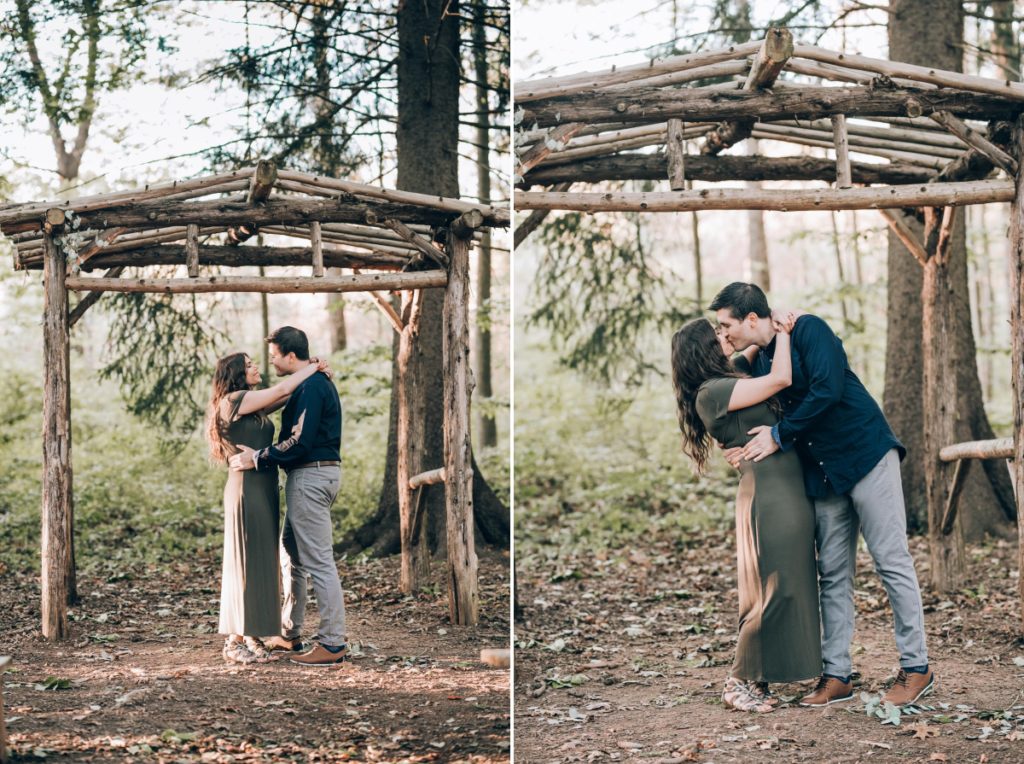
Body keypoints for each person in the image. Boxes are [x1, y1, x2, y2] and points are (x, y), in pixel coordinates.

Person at [710, 282, 933, 708]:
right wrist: (734, 445)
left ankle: (917, 666)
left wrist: (779, 434)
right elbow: (728, 395)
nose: (723, 333)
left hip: (865, 453)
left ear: (751, 318)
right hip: (823, 475)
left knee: (890, 560)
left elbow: (827, 391)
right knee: (832, 573)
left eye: (726, 325)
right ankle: (837, 675)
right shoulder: (755, 365)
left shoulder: (809, 329)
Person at [671, 316, 821, 713]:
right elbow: (780, 379)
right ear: (703, 349)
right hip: (769, 493)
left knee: (785, 584)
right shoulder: (713, 391)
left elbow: (752, 348)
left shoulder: (731, 375)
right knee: (772, 589)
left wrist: (765, 327)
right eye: (717, 334)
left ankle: (762, 678)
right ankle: (738, 680)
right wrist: (786, 336)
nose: (725, 336)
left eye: (725, 329)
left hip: (787, 487)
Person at [229, 326, 349, 666]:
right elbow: (278, 395)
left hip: (312, 476)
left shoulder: (311, 386)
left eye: (274, 356)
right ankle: (289, 633)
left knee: (318, 560)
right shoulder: (307, 384)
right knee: (292, 552)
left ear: (290, 356)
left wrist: (258, 456)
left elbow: (300, 442)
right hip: (310, 475)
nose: (270, 361)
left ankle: (333, 644)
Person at [205, 351, 329, 664]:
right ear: (235, 374)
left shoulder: (251, 405)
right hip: (246, 488)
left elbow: (287, 396)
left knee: (261, 562)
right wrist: (313, 366)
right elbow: (282, 391)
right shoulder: (234, 399)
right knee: (246, 562)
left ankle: (253, 634)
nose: (257, 366)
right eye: (248, 365)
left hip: (263, 488)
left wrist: (313, 373)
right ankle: (235, 640)